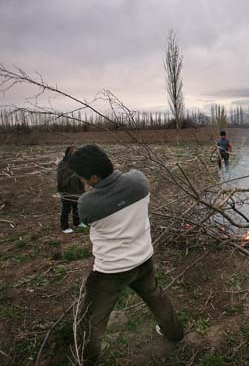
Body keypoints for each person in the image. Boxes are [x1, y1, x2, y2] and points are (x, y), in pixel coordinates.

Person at [68, 144, 184, 365]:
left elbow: (87, 219)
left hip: (110, 271)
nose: (83, 182)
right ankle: (175, 333)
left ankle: (86, 360)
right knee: (156, 297)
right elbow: (122, 186)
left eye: (83, 178)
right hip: (143, 259)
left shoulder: (87, 204)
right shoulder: (139, 182)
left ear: (93, 176)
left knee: (91, 320)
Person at [56, 146, 86, 233]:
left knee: (76, 207)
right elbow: (60, 177)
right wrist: (62, 190)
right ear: (68, 153)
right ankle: (64, 226)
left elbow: (81, 176)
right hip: (67, 190)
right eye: (73, 152)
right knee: (66, 209)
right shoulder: (63, 163)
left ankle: (77, 222)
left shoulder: (78, 163)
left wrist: (81, 188)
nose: (74, 154)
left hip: (77, 189)